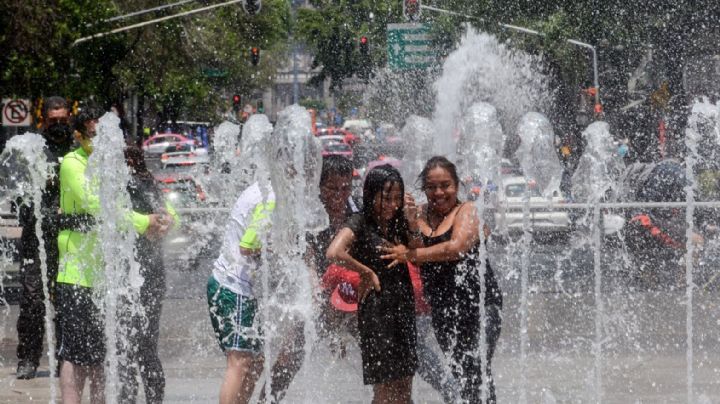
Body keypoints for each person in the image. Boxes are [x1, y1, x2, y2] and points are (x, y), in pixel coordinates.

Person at [55, 105, 169, 404]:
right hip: (78, 273)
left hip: (109, 276)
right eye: (93, 135)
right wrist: (144, 222)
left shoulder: (112, 165)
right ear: (79, 136)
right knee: (76, 356)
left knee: (103, 357)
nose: (100, 142)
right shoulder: (72, 163)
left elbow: (125, 207)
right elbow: (96, 204)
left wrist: (161, 220)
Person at [380, 156, 503, 404]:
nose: (439, 192)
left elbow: (456, 248)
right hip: (443, 310)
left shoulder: (467, 210)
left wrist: (409, 254)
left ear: (456, 185)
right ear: (424, 189)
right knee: (462, 373)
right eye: (432, 187)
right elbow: (414, 256)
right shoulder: (421, 215)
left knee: (476, 368)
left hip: (480, 308)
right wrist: (412, 224)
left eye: (445, 185)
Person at [327, 164, 417, 404]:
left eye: (397, 198)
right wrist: (365, 271)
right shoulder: (360, 221)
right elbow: (334, 252)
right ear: (371, 194)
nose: (392, 205)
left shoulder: (399, 222)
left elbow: (418, 254)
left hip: (403, 309)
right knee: (385, 389)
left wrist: (412, 223)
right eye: (386, 198)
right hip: (377, 313)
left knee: (405, 387)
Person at [15, 96, 75, 379]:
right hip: (35, 239)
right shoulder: (32, 150)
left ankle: (64, 359)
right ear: (44, 120)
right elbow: (17, 192)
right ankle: (28, 358)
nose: (60, 125)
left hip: (68, 238)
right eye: (54, 121)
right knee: (32, 301)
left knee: (66, 300)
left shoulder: (77, 149)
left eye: (64, 120)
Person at [118, 146, 178, 404]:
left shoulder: (125, 186)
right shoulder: (150, 182)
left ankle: (128, 399)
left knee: (128, 346)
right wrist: (164, 223)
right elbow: (171, 215)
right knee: (146, 344)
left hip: (130, 272)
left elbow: (116, 219)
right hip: (152, 273)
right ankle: (154, 399)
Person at [623, 159, 702, 289]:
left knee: (693, 237)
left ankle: (653, 279)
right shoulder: (676, 174)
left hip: (641, 222)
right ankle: (683, 284)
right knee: (697, 240)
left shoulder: (668, 173)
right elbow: (645, 210)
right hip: (644, 222)